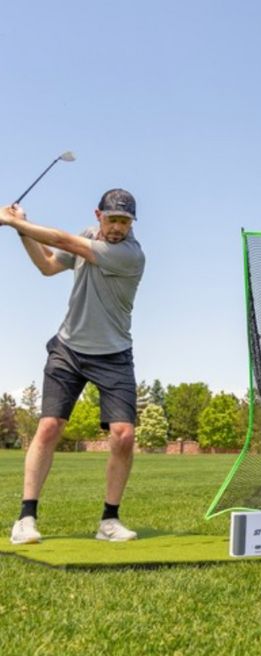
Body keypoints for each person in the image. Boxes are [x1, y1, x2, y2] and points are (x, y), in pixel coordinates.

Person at [0, 189, 146, 544]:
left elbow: (64, 240)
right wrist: (22, 231)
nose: (117, 228)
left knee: (124, 436)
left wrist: (14, 221)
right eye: (112, 219)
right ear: (99, 215)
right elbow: (48, 265)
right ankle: (26, 518)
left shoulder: (129, 255)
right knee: (49, 426)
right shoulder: (86, 236)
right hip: (68, 349)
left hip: (113, 355)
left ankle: (109, 521)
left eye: (124, 221)